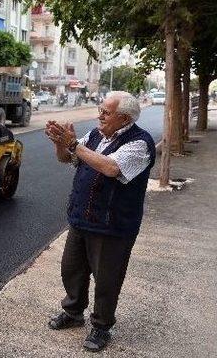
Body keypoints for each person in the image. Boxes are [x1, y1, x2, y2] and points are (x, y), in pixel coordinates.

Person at [44, 91, 156, 352]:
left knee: (107, 280)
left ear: (124, 117)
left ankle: (102, 326)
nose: (99, 115)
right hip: (82, 218)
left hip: (113, 225)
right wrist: (60, 143)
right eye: (100, 109)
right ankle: (73, 312)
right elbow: (67, 158)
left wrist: (74, 146)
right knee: (72, 270)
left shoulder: (140, 143)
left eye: (106, 112)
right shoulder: (95, 135)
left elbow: (111, 168)